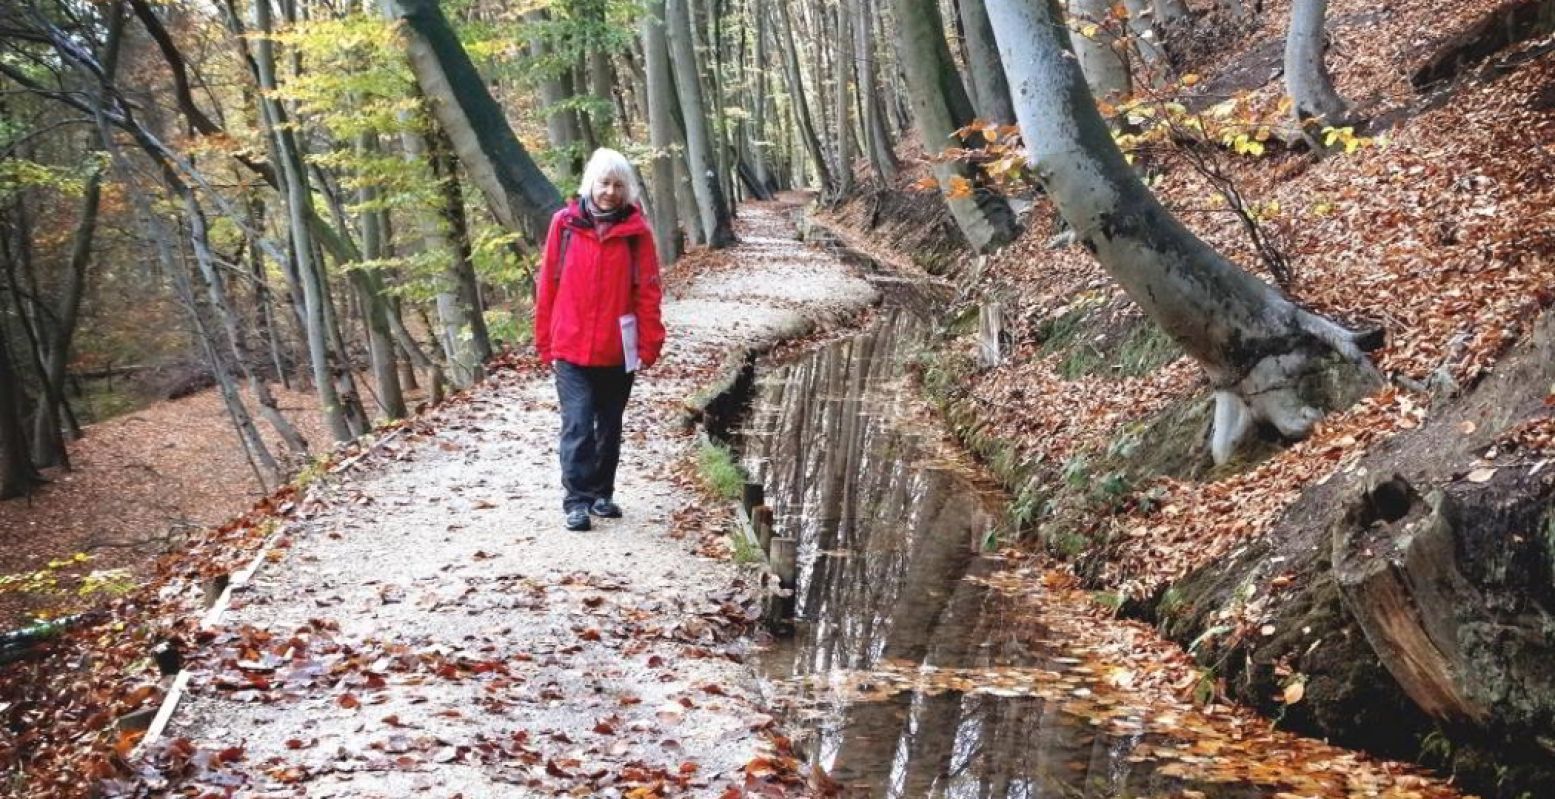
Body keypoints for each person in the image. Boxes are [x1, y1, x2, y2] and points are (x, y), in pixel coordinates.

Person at [534, 148, 666, 531]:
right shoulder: (565, 225)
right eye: (604, 182)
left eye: (618, 185)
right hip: (571, 346)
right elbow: (548, 285)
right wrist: (545, 339)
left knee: (609, 423)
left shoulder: (637, 234)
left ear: (628, 190)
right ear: (590, 183)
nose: (609, 191)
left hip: (616, 348)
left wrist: (649, 342)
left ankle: (601, 494)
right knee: (577, 423)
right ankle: (576, 499)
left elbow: (648, 291)